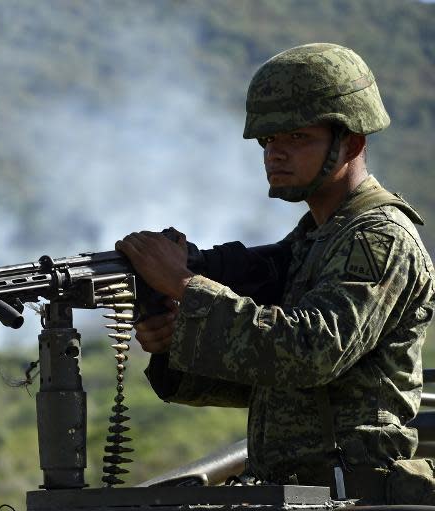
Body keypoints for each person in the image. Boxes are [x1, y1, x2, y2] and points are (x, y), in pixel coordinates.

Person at [115, 43, 435, 504]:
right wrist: (176, 340)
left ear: (352, 142)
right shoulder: (314, 240)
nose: (275, 154)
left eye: (297, 138)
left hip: (353, 497)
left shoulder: (378, 238)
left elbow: (311, 353)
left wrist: (185, 286)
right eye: (268, 140)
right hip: (300, 494)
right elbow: (277, 385)